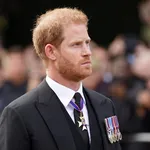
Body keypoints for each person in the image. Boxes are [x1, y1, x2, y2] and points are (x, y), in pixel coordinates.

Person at [0, 7, 122, 150]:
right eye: (76, 44)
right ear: (51, 52)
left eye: (87, 43)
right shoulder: (20, 114)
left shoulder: (105, 105)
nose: (87, 52)